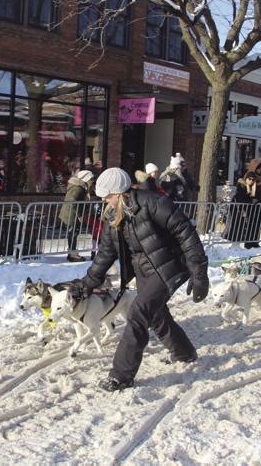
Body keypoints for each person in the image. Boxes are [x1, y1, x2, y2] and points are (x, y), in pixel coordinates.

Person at [80, 167, 209, 391]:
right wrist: (87, 285)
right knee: (156, 314)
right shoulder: (113, 216)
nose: (105, 202)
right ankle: (184, 352)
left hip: (168, 266)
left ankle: (121, 375)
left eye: (108, 197)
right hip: (144, 270)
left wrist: (199, 274)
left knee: (138, 312)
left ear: (119, 192)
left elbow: (186, 233)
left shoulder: (153, 202)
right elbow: (105, 254)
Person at [59, 169, 94, 262]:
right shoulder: (77, 188)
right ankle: (72, 255)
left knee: (73, 234)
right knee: (73, 234)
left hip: (72, 214)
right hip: (71, 215)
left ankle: (72, 253)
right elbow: (72, 201)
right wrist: (79, 215)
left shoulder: (81, 186)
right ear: (86, 178)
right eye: (91, 179)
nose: (92, 181)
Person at [226, 170, 261, 248]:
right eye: (249, 179)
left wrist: (255, 199)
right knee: (236, 227)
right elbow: (241, 197)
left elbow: (256, 196)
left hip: (246, 210)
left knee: (250, 225)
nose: (251, 181)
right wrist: (251, 200)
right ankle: (234, 245)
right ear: (246, 178)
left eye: (253, 179)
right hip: (238, 209)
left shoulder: (254, 187)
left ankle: (250, 243)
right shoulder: (241, 185)